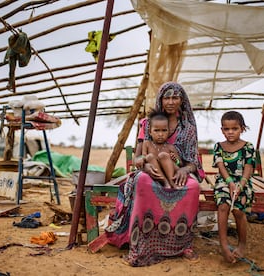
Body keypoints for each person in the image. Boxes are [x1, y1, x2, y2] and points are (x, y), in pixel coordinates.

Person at [105, 81, 204, 266]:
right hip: (151, 170)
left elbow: (193, 163)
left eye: (176, 97)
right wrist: (145, 166)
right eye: (167, 97)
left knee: (192, 187)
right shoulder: (147, 123)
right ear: (160, 99)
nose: (171, 101)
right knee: (142, 181)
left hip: (176, 171)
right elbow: (138, 158)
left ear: (182, 100)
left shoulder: (188, 129)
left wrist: (184, 169)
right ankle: (141, 243)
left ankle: (183, 245)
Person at [212, 111, 255, 263]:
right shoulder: (218, 146)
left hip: (243, 182)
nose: (230, 132)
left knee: (238, 210)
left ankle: (242, 244)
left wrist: (240, 185)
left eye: (234, 128)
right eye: (226, 129)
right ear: (222, 130)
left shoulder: (248, 147)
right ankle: (224, 245)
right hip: (225, 181)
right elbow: (221, 166)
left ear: (242, 128)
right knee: (223, 206)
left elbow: (249, 167)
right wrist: (230, 183)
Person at [137, 109, 182, 189]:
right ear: (150, 132)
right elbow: (144, 156)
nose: (160, 134)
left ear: (168, 132)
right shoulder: (147, 143)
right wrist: (141, 159)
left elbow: (180, 164)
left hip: (170, 171)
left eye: (164, 130)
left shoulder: (170, 147)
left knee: (163, 155)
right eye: (156, 130)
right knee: (149, 157)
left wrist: (176, 160)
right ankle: (165, 182)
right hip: (155, 171)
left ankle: (171, 183)